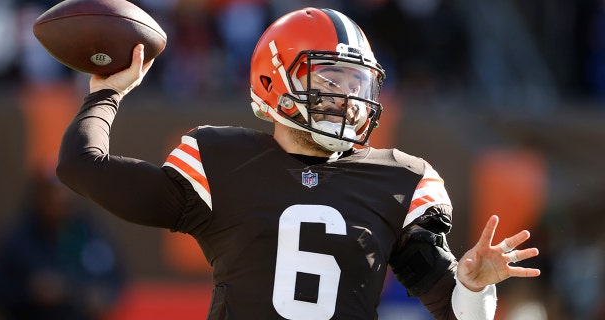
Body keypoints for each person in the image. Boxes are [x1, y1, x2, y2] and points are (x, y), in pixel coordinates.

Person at [56, 7, 540, 319]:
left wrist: (475, 288)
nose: (349, 100)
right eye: (332, 79)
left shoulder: (401, 180)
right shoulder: (220, 162)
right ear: (273, 80)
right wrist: (108, 93)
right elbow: (82, 167)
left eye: (358, 85)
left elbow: (457, 315)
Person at [0, 167, 126, 320]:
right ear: (39, 197)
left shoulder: (92, 234)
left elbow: (118, 279)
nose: (60, 204)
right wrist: (29, 292)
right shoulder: (17, 238)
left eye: (66, 199)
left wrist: (104, 295)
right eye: (53, 197)